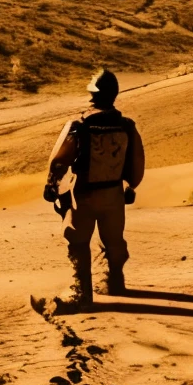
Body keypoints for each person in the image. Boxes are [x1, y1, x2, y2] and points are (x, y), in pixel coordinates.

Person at [42, 68, 145, 310]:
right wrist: (131, 185)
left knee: (78, 241)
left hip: (84, 195)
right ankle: (115, 282)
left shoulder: (79, 126)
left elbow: (59, 161)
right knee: (114, 240)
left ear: (93, 95)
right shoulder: (127, 126)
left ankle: (82, 294)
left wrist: (52, 185)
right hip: (114, 195)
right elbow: (137, 161)